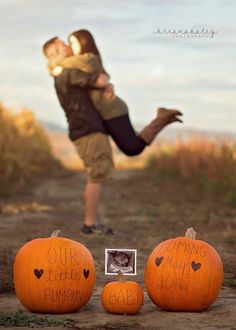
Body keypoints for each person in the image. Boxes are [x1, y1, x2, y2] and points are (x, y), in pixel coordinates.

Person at [46, 30, 183, 156]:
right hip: (105, 111)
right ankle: (162, 117)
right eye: (70, 43)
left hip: (111, 109)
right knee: (132, 143)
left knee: (132, 148)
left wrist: (52, 66)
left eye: (74, 43)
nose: (71, 47)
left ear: (84, 42)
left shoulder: (86, 59)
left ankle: (162, 118)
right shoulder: (86, 61)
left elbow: (65, 64)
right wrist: (108, 85)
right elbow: (102, 78)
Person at [43, 37, 115, 235]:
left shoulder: (62, 74)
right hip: (88, 130)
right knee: (96, 175)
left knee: (96, 175)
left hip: (83, 129)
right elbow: (100, 80)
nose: (67, 46)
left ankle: (90, 222)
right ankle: (89, 224)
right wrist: (106, 83)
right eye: (61, 45)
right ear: (54, 54)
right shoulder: (69, 73)